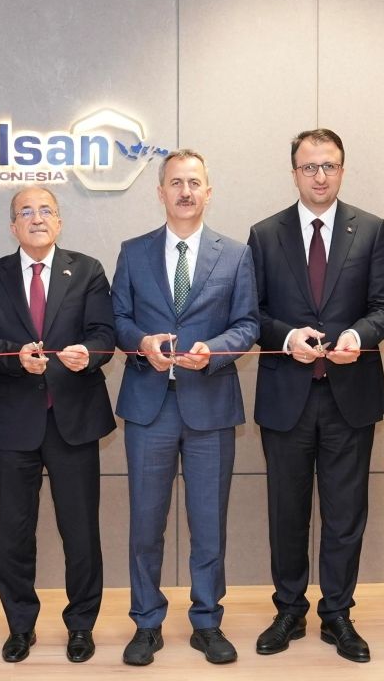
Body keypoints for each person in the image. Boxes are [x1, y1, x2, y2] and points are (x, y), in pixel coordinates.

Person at [246, 128, 384, 663]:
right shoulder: (265, 234)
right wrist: (288, 337)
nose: (320, 176)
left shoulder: (372, 230)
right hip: (287, 396)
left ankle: (337, 614)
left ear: (342, 169)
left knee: (345, 513)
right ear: (294, 173)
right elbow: (252, 313)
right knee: (287, 513)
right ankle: (288, 610)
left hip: (349, 396)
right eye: (309, 167)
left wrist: (357, 336)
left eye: (329, 165)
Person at [111, 149, 259, 666]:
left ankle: (207, 622)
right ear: (161, 192)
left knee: (208, 524)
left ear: (208, 192)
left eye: (194, 182)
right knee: (145, 524)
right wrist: (141, 342)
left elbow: (248, 324)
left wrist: (213, 352)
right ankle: (146, 623)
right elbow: (118, 318)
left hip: (210, 405)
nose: (185, 191)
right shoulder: (133, 252)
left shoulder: (235, 254)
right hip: (149, 406)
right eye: (176, 182)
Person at [0, 186, 115, 664]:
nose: (36, 218)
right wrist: (15, 357)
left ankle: (81, 625)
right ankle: (20, 626)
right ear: (12, 225)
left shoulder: (87, 269)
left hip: (74, 420)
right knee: (14, 532)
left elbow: (105, 334)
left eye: (45, 210)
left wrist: (87, 354)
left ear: (59, 221)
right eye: (25, 212)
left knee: (80, 532)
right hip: (16, 423)